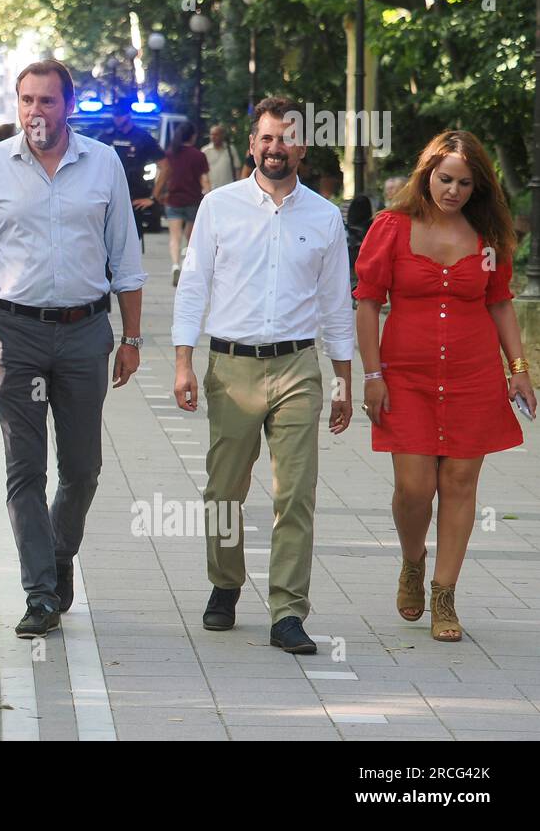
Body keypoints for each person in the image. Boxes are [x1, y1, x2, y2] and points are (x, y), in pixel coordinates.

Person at [0, 60, 145, 638]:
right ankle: (39, 591)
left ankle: (60, 554)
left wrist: (132, 338)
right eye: (27, 101)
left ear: (69, 105)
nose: (36, 112)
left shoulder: (103, 164)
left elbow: (127, 262)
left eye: (48, 102)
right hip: (16, 334)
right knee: (24, 467)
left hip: (87, 332)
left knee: (83, 468)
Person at [171, 96, 354, 656]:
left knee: (295, 492)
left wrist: (344, 378)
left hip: (298, 365)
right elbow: (194, 284)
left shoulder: (324, 216)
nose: (276, 149)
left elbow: (335, 304)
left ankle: (287, 610)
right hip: (231, 366)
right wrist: (182, 359)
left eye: (287, 139)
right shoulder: (218, 206)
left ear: (302, 146)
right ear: (252, 145)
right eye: (267, 139)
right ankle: (225, 585)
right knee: (225, 489)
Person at [354, 130, 536, 642]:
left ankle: (444, 595)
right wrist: (372, 375)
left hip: (472, 377)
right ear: (427, 175)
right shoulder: (391, 227)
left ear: (478, 188)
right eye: (445, 179)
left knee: (459, 484)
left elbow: (499, 303)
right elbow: (367, 303)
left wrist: (518, 368)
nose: (452, 190)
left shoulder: (489, 239)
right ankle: (413, 561)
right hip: (404, 378)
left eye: (464, 183)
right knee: (415, 489)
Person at [153, 121, 210, 286]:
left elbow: (161, 176)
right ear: (192, 136)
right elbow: (204, 180)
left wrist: (158, 195)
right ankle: (187, 267)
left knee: (175, 236)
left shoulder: (170, 154)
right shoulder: (199, 155)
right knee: (191, 238)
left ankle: (175, 265)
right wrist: (208, 194)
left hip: (173, 199)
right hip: (193, 200)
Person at [103, 98, 166, 244]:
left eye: (121, 114)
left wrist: (153, 198)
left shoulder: (143, 137)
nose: (117, 118)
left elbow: (165, 166)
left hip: (134, 198)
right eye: (115, 115)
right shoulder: (107, 136)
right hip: (108, 197)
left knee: (129, 246)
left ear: (129, 115)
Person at [201, 123, 240, 190]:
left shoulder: (230, 149)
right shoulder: (205, 151)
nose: (213, 137)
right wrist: (206, 188)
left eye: (216, 134)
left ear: (222, 135)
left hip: (229, 189)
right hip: (211, 191)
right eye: (211, 134)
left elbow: (237, 168)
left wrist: (238, 186)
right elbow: (202, 173)